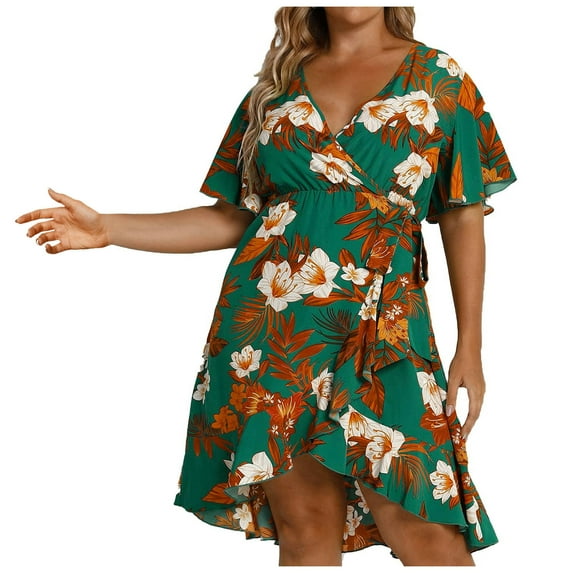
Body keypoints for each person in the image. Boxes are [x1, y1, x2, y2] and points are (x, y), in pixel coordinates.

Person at [16, 6, 516, 567]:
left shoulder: (440, 78)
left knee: (425, 527)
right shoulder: (275, 87)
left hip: (385, 332)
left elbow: (462, 213)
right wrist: (109, 228)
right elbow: (233, 217)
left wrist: (470, 344)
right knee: (305, 527)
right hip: (274, 330)